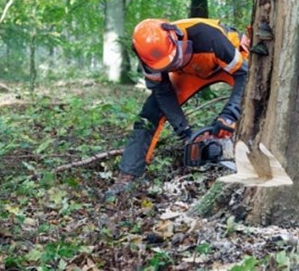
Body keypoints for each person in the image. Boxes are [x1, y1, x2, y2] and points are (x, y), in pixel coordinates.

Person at [104, 18, 250, 199]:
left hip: (227, 63)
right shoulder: (148, 55)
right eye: (167, 66)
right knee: (149, 114)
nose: (170, 67)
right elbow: (163, 93)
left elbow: (245, 74)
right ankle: (127, 176)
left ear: (177, 37)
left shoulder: (209, 37)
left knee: (255, 96)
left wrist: (230, 115)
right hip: (188, 72)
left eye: (172, 61)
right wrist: (185, 132)